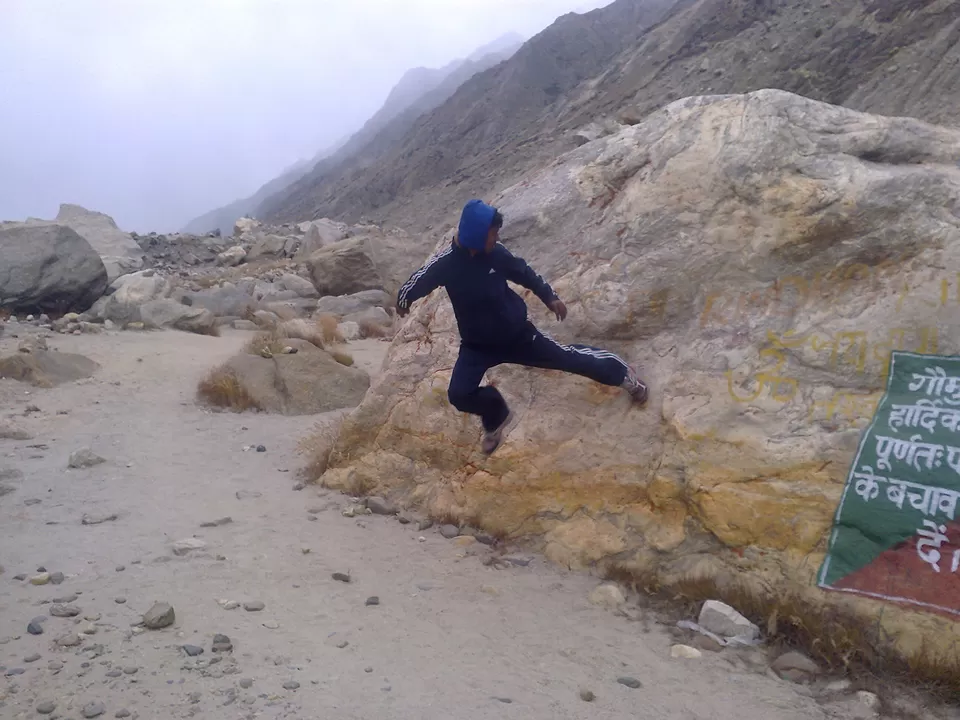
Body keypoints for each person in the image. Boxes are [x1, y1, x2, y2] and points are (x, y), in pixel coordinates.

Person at [396, 199, 648, 455]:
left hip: (518, 336)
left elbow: (524, 272)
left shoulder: (495, 254)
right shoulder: (447, 264)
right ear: (475, 236)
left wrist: (549, 296)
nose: (496, 238)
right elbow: (418, 280)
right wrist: (403, 299)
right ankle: (496, 415)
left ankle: (624, 374)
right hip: (477, 347)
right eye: (492, 234)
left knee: (568, 358)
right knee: (459, 395)